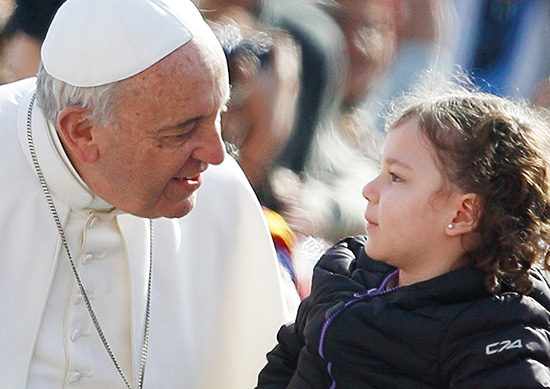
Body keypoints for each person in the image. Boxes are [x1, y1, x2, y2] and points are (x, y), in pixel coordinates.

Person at [0, 0, 290, 387]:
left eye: (219, 114)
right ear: (82, 131)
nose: (216, 154)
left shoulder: (222, 196)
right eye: (181, 131)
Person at [256, 74, 550, 388]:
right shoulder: (346, 272)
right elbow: (285, 361)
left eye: (396, 177)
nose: (369, 189)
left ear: (462, 213)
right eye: (380, 170)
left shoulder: (497, 333)